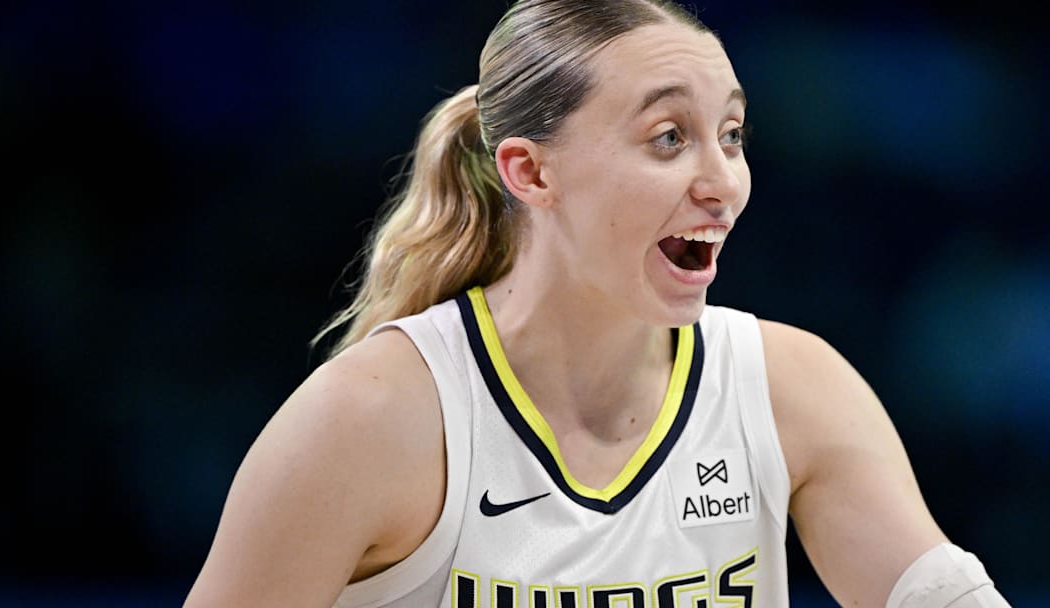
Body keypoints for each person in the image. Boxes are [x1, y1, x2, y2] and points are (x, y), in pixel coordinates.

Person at [184, 1, 1011, 606]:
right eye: (667, 138)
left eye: (731, 135)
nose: (723, 183)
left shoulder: (791, 387)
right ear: (531, 173)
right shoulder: (368, 417)